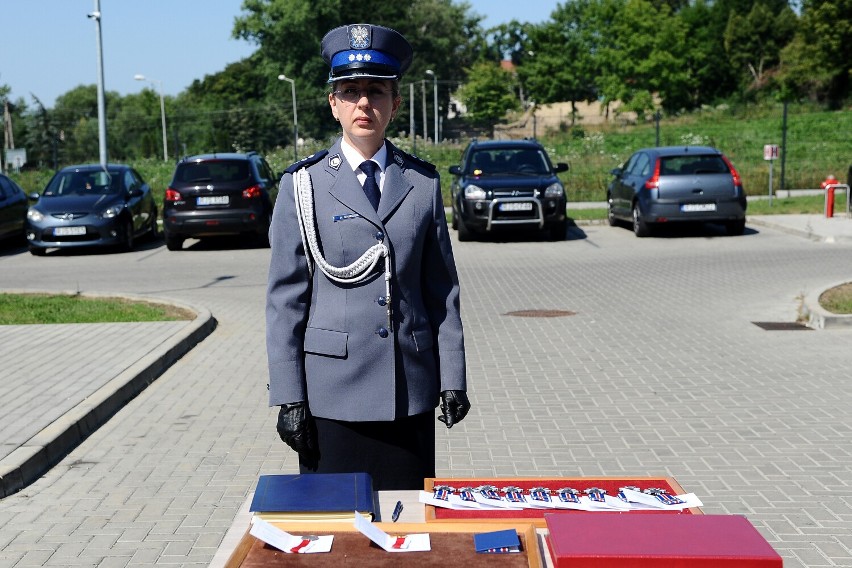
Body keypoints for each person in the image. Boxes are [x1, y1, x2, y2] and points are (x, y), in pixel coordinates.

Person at [265, 23, 470, 490]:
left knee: (407, 532)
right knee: (336, 535)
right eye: (351, 91)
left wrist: (452, 376)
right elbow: (285, 300)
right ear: (332, 103)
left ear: (394, 104)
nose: (364, 103)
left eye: (376, 91)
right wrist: (289, 395)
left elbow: (442, 291)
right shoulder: (303, 185)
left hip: (409, 391)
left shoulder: (422, 183)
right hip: (331, 395)